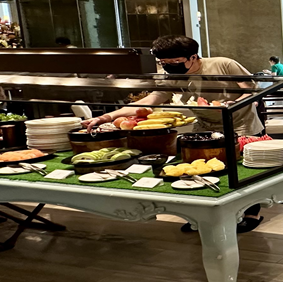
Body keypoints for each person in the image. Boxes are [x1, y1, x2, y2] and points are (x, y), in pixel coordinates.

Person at [82, 35, 262, 232]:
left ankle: (250, 212)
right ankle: (203, 216)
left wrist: (232, 104)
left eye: (175, 62)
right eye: (164, 63)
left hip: (240, 124)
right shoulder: (173, 75)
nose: (169, 67)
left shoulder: (223, 64)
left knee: (241, 170)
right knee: (200, 167)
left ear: (193, 57)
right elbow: (150, 101)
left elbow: (252, 89)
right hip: (205, 126)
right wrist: (105, 118)